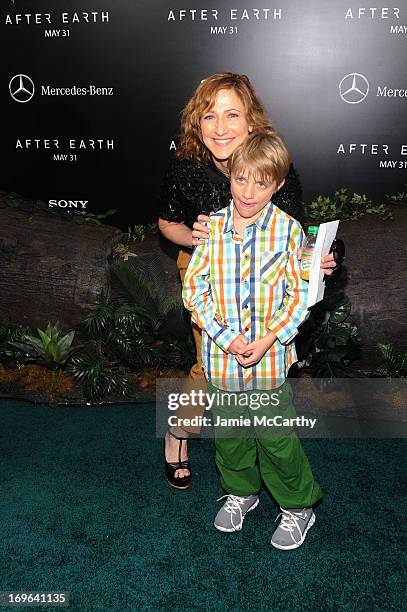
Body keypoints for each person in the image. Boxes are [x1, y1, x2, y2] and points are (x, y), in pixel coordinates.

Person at [158, 72, 340, 488]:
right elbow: (167, 223)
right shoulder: (186, 166)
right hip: (206, 269)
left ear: (251, 122)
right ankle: (181, 434)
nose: (219, 127)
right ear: (196, 124)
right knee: (211, 366)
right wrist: (194, 236)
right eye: (209, 116)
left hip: (266, 275)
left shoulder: (273, 165)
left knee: (259, 360)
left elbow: (296, 238)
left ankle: (262, 444)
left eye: (231, 114)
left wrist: (317, 262)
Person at [182, 131, 322, 549]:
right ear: (230, 176)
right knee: (230, 437)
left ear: (278, 184)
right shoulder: (212, 228)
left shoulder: (290, 232)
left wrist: (267, 340)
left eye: (261, 183)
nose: (248, 191)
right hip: (221, 362)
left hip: (270, 361)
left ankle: (299, 507)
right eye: (241, 179)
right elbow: (194, 290)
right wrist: (226, 338)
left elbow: (301, 298)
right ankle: (242, 494)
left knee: (276, 439)